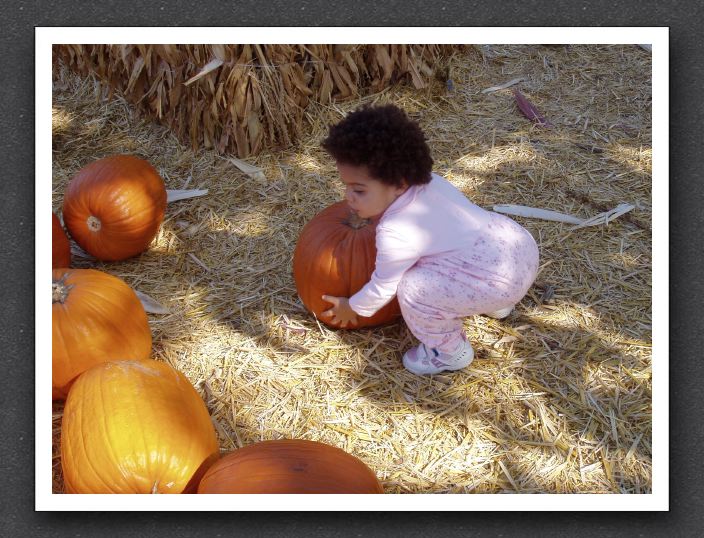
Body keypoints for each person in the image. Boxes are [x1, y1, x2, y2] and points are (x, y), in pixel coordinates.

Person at [320, 104, 539, 375]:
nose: (348, 197)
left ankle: (449, 352)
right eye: (347, 186)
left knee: (411, 288)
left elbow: (383, 287)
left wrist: (351, 307)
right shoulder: (431, 181)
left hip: (496, 282)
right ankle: (497, 306)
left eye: (359, 190)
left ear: (399, 184)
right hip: (518, 249)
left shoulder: (395, 231)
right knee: (450, 255)